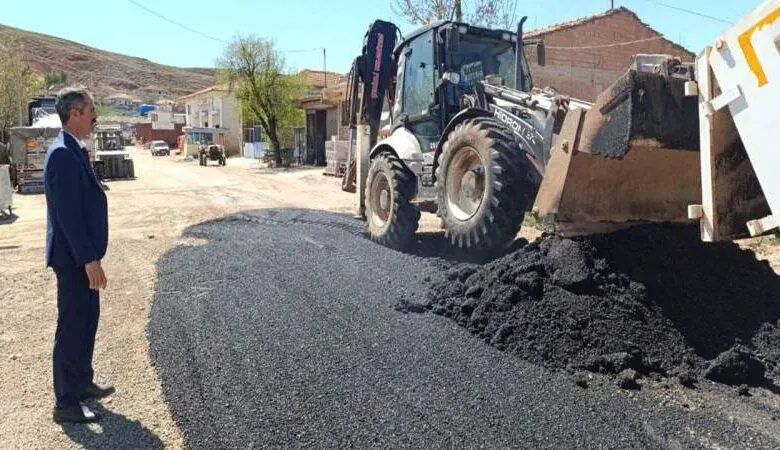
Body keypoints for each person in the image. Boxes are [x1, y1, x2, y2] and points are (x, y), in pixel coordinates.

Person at [44, 86, 114, 424]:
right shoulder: (62, 153)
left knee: (87, 321)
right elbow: (67, 216)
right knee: (72, 326)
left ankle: (82, 383)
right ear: (74, 114)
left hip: (83, 258)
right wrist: (88, 260)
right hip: (74, 261)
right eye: (91, 112)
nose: (94, 119)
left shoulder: (74, 148)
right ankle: (66, 402)